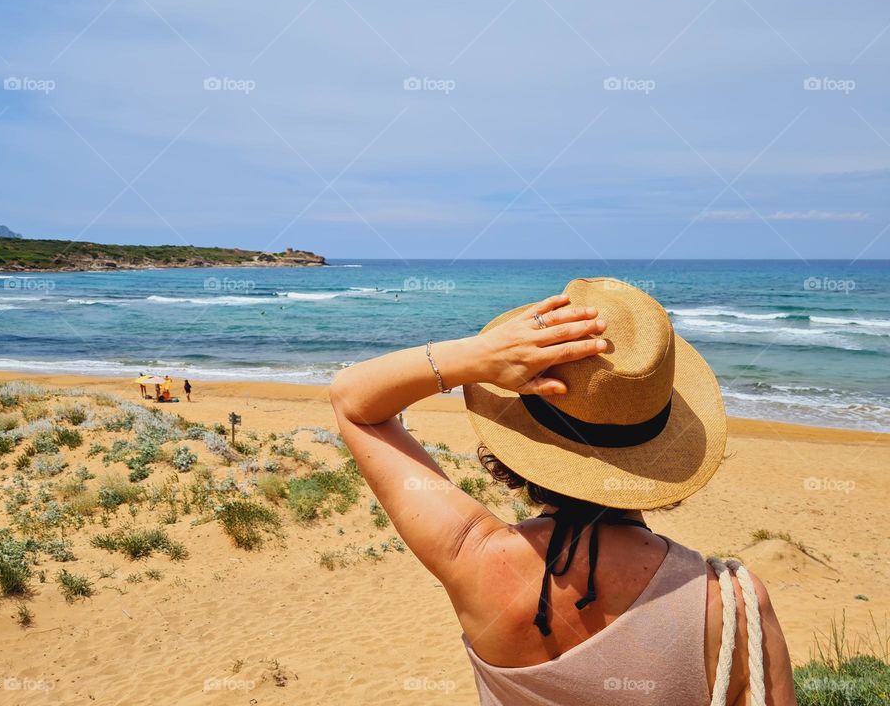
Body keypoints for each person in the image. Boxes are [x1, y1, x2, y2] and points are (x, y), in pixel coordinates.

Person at [330, 278, 796, 706]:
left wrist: (478, 357)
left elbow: (354, 403)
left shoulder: (472, 556)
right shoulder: (735, 604)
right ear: (661, 442)